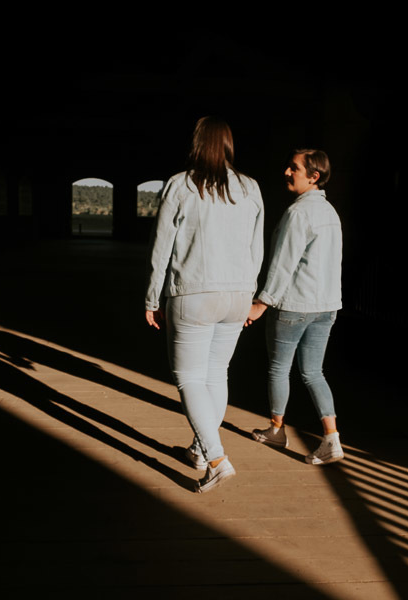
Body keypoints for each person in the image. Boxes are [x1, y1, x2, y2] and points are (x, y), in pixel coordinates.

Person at [145, 116, 265, 493]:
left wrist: (152, 297)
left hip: (193, 293)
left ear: (197, 144)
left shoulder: (181, 184)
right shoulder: (250, 187)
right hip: (238, 295)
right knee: (217, 373)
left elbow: (161, 247)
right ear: (228, 145)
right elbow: (257, 249)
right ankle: (199, 450)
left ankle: (215, 459)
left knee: (189, 377)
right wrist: (249, 293)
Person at [245, 149, 344, 465]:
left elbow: (282, 263)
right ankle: (332, 438)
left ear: (314, 176)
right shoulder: (330, 212)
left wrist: (262, 303)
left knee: (279, 368)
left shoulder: (298, 213)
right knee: (314, 372)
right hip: (326, 306)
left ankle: (277, 430)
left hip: (294, 305)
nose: (286, 172)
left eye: (294, 168)